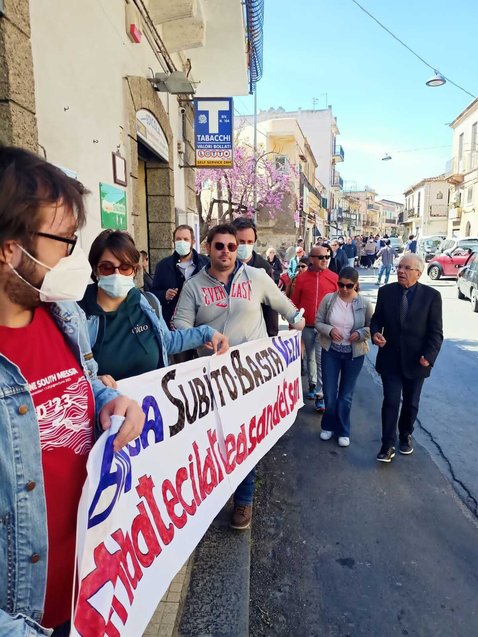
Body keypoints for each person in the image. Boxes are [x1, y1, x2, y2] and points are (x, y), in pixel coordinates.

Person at [0, 146, 145, 636]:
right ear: (8, 248)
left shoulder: (64, 318)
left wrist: (110, 403)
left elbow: (81, 388)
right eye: (63, 240)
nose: (73, 258)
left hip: (89, 592)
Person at [173, 223, 305, 530]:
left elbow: (284, 306)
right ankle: (215, 497)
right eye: (219, 246)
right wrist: (199, 336)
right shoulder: (193, 285)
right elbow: (179, 325)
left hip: (251, 377)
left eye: (232, 247)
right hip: (211, 379)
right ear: (208, 248)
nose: (226, 252)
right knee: (215, 441)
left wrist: (298, 320)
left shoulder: (257, 277)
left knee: (245, 439)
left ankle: (244, 501)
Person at [78, 230, 228, 384]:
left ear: (134, 271)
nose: (117, 274)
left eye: (125, 267)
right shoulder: (75, 315)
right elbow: (64, 374)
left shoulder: (147, 304)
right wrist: (93, 383)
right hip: (106, 405)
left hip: (150, 404)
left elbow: (166, 342)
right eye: (107, 268)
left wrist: (206, 333)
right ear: (95, 270)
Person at [370, 254, 443, 462]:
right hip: (390, 358)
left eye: (407, 268)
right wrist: (376, 333)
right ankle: (387, 444)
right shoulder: (386, 292)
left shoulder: (431, 296)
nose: (401, 271)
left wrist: (429, 356)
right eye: (399, 267)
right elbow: (377, 319)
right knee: (391, 401)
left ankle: (405, 434)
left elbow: (436, 332)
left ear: (418, 273)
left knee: (411, 403)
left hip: (416, 360)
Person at [315, 267, 372, 446]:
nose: (344, 289)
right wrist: (329, 330)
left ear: (356, 285)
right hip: (331, 351)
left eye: (349, 286)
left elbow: (373, 327)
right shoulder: (329, 300)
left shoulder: (364, 303)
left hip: (353, 355)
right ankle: (328, 425)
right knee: (330, 393)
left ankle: (343, 430)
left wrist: (361, 333)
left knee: (345, 395)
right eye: (341, 284)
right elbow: (318, 322)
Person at [291, 245, 338, 409]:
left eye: (327, 256)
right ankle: (311, 385)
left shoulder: (334, 277)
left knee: (321, 360)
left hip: (325, 328)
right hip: (307, 325)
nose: (325, 260)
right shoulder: (302, 278)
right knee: (309, 358)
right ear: (311, 259)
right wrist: (293, 323)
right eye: (321, 257)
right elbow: (295, 302)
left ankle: (320, 394)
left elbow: (340, 303)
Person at [151, 224, 209, 329]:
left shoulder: (206, 263)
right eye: (178, 239)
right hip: (172, 326)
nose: (182, 242)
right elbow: (153, 294)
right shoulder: (163, 266)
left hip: (201, 322)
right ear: (174, 242)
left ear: (193, 242)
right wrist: (164, 295)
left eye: (186, 239)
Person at [232, 217, 278, 336]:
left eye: (250, 242)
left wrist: (271, 336)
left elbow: (270, 305)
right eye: (241, 242)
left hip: (252, 337)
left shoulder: (263, 268)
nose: (245, 246)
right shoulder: (217, 264)